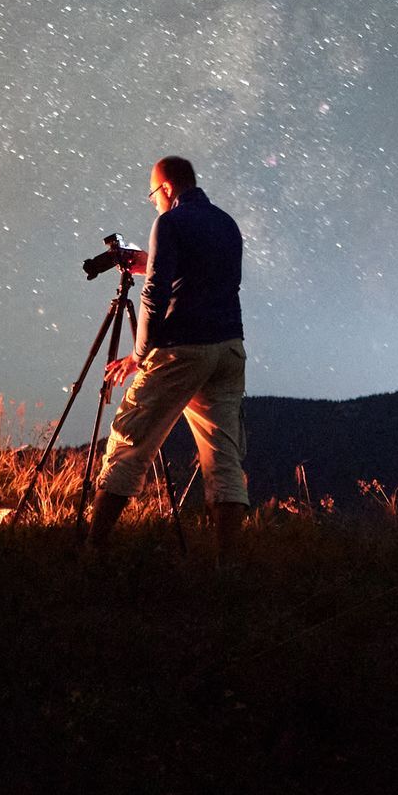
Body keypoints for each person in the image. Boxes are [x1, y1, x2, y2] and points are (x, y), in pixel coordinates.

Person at [87, 155, 248, 548]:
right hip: (229, 349)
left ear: (168, 188)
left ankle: (92, 550)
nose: (154, 202)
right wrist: (151, 261)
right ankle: (227, 569)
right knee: (224, 460)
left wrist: (138, 356)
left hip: (182, 349)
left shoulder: (169, 222)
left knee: (129, 440)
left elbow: (154, 296)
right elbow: (207, 276)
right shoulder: (227, 224)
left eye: (153, 194)